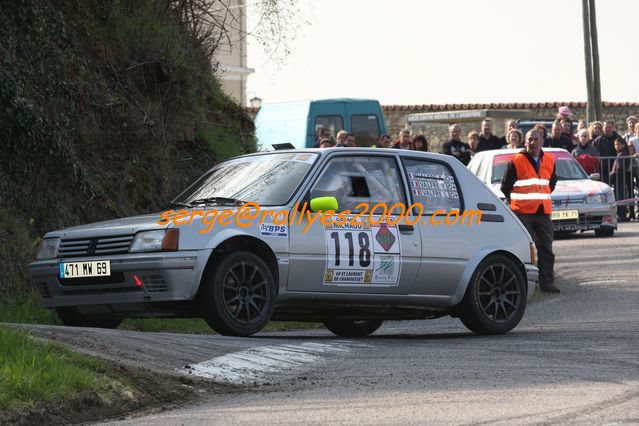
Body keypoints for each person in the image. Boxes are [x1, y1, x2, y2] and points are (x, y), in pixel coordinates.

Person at [501, 129, 559, 293]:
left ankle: (547, 283)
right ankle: (521, 285)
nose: (532, 143)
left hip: (543, 212)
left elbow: (551, 183)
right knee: (523, 249)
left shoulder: (549, 159)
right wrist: (518, 203)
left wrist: (540, 197)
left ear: (542, 141)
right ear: (524, 142)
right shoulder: (516, 161)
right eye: (529, 140)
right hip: (522, 213)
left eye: (535, 139)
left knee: (546, 248)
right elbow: (505, 187)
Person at [610, 137, 632, 222]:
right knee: (620, 197)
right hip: (619, 179)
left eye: (618, 144)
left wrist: (611, 174)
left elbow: (619, 169)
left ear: (623, 145)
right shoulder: (621, 154)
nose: (616, 146)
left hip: (620, 179)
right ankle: (621, 215)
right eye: (615, 144)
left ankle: (622, 215)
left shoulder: (622, 154)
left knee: (620, 198)